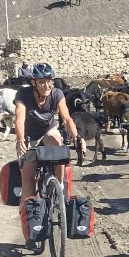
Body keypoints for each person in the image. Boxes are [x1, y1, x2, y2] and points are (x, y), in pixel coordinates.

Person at [15, 63, 79, 242]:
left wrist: (76, 137)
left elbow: (66, 118)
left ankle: (58, 187)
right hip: (28, 137)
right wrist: (20, 140)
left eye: (49, 81)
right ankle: (29, 230)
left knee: (57, 143)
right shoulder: (23, 94)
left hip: (48, 132)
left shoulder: (57, 93)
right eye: (42, 82)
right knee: (28, 179)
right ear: (34, 82)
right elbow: (19, 120)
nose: (47, 86)